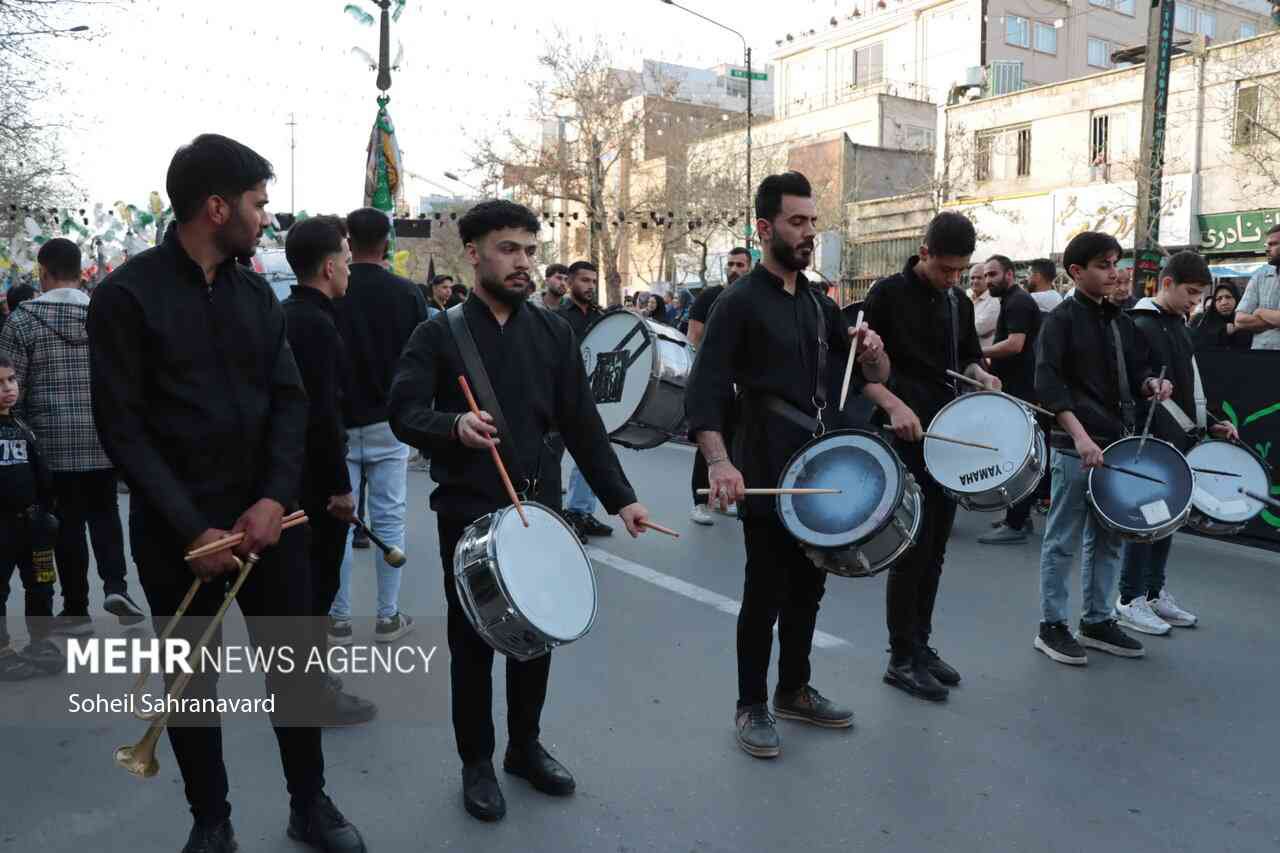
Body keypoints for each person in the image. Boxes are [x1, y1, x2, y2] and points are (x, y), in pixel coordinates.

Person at [87, 133, 365, 853]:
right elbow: (122, 428)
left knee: (293, 672)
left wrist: (274, 499)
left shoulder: (257, 296)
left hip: (274, 526)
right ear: (216, 208)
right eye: (256, 203)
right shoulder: (124, 296)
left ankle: (311, 803)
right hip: (178, 538)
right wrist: (190, 528)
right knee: (191, 689)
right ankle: (211, 820)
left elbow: (289, 401)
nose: (266, 218)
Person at [389, 199, 652, 822]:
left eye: (530, 251)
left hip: (539, 505)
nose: (524, 263)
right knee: (474, 642)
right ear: (474, 253)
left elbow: (583, 425)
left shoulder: (553, 331)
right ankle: (476, 762)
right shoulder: (438, 332)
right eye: (509, 249)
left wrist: (623, 499)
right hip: (470, 510)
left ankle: (524, 748)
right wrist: (453, 426)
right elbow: (402, 412)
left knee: (537, 633)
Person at [687, 171, 889, 758]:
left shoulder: (816, 302)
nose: (807, 234)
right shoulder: (738, 302)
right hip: (766, 469)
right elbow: (704, 389)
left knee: (809, 588)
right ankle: (751, 703)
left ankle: (794, 689)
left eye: (811, 222)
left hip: (817, 468)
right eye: (796, 222)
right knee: (765, 592)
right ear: (764, 228)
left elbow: (869, 377)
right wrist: (720, 463)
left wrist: (871, 351)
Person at [861, 213, 1002, 702]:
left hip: (947, 434)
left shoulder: (957, 301)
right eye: (946, 269)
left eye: (961, 271)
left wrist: (981, 377)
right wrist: (893, 404)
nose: (953, 279)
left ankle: (921, 645)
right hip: (905, 432)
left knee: (937, 546)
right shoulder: (886, 295)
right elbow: (864, 369)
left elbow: (965, 359)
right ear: (924, 252)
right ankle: (900, 658)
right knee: (911, 547)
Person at [1032, 231, 1172, 668]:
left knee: (1110, 538)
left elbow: (1136, 371)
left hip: (1116, 445)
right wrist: (1080, 436)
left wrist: (1152, 384)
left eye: (1115, 263)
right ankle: (1052, 625)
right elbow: (1049, 386)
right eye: (1103, 265)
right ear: (1077, 272)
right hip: (1077, 446)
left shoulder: (1120, 319)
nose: (1114, 273)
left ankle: (1096, 619)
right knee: (1063, 539)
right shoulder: (1060, 321)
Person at [0, 238, 144, 634]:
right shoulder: (106, 314)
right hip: (103, 437)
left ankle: (77, 606)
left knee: (66, 523)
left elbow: (13, 387)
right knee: (106, 514)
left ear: (43, 273)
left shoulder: (23, 320)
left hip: (49, 445)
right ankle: (117, 587)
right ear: (81, 272)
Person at [281, 216, 378, 727]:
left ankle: (304, 683)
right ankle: (308, 693)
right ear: (326, 266)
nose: (348, 268)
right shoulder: (316, 325)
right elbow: (321, 415)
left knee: (304, 592)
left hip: (289, 478)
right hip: (313, 484)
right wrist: (340, 488)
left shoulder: (288, 315)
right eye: (344, 258)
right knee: (314, 592)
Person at [328, 207, 428, 649]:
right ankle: (387, 617)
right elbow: (424, 359)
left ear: (348, 241)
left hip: (338, 423)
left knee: (339, 524)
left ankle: (339, 619)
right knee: (389, 519)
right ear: (387, 241)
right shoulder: (407, 294)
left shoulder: (332, 290)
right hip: (391, 422)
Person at [1119, 252, 1234, 634]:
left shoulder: (1180, 326)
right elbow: (1135, 380)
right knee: (1145, 520)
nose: (1195, 302)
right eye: (1191, 292)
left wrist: (1213, 422)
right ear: (1166, 283)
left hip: (1181, 438)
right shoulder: (1138, 323)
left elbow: (1189, 389)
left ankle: (1153, 593)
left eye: (1200, 295)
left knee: (1169, 519)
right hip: (1150, 439)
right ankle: (1128, 598)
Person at [0, 355, 63, 681]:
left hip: (33, 525)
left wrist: (47, 511)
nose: (8, 388)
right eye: (0, 383)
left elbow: (41, 476)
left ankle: (40, 642)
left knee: (41, 584)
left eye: (11, 380)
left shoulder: (22, 426)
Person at [977, 254, 1043, 545]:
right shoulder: (1011, 300)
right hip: (1016, 388)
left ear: (1009, 275)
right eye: (986, 275)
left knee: (1020, 455)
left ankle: (1016, 524)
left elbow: (1016, 345)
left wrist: (980, 355)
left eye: (993, 274)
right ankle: (1017, 517)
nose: (988, 280)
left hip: (1024, 390)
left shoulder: (1018, 302)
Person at [687, 246, 750, 527]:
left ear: (750, 266)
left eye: (740, 264)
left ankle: (724, 499)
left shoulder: (752, 297)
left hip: (745, 383)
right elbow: (694, 336)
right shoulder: (710, 296)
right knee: (709, 443)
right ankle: (699, 502)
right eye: (731, 264)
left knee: (738, 441)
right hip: (716, 381)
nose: (734, 269)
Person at [556, 261, 612, 539]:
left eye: (593, 281)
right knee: (551, 459)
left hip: (591, 397)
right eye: (584, 281)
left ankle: (580, 512)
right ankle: (552, 517)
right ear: (569, 282)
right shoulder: (557, 317)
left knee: (589, 456)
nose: (590, 286)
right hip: (559, 396)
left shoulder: (600, 317)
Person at [1233, 223, 1280, 349]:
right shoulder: (1259, 277)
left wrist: (1260, 311)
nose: (1267, 249)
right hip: (1262, 357)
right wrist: (1274, 320)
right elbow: (1239, 320)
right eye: (1267, 245)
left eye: (1273, 244)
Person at [1191, 281, 1253, 351]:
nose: (1224, 303)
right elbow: (1198, 343)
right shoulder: (1205, 322)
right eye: (1219, 299)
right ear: (1214, 303)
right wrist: (1222, 331)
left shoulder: (1246, 322)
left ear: (1236, 299)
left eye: (1228, 297)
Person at [966, 263, 1000, 348]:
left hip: (984, 356)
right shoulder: (966, 296)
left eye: (979, 278)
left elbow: (976, 329)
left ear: (987, 279)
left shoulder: (994, 302)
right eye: (972, 278)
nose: (975, 281)